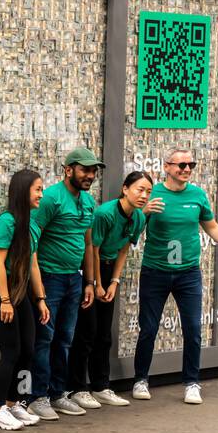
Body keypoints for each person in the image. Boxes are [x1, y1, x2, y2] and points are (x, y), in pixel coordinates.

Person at [132, 148, 218, 405]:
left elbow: (212, 227)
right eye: (181, 165)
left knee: (193, 329)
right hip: (155, 271)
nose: (186, 169)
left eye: (190, 165)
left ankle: (192, 382)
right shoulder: (152, 193)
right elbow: (132, 230)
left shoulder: (197, 195)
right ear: (167, 166)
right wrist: (145, 212)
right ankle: (141, 378)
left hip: (188, 274)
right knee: (148, 328)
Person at [65, 171, 152, 408]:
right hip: (90, 269)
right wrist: (96, 284)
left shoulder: (140, 218)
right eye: (139, 189)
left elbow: (124, 249)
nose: (144, 195)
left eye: (148, 191)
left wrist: (114, 282)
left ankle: (101, 385)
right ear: (125, 189)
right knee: (86, 332)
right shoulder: (104, 214)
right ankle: (76, 388)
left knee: (104, 334)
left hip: (109, 270)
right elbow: (92, 248)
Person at [27, 147, 101, 421]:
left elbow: (88, 243)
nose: (90, 175)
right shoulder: (51, 199)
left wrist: (90, 282)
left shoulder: (89, 202)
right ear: (68, 169)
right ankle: (38, 397)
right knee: (45, 338)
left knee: (65, 339)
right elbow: (32, 240)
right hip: (49, 277)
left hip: (74, 278)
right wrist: (37, 289)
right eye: (84, 169)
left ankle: (59, 394)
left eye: (93, 170)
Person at [0, 169, 51, 430]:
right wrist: (4, 300)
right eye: (37, 189)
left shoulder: (32, 225)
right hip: (2, 293)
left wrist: (41, 299)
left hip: (22, 294)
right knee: (10, 352)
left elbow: (33, 265)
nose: (41, 195)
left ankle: (14, 404)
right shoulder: (6, 222)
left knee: (28, 351)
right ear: (23, 191)